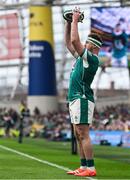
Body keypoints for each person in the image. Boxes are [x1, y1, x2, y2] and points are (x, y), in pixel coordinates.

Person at [64, 7, 103, 177]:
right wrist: (68, 23)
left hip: (82, 98)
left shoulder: (91, 59)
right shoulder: (83, 57)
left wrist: (74, 20)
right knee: (78, 134)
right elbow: (69, 43)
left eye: (87, 42)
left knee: (83, 133)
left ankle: (91, 169)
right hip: (75, 99)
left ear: (92, 46)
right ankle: (83, 166)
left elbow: (74, 41)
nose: (83, 44)